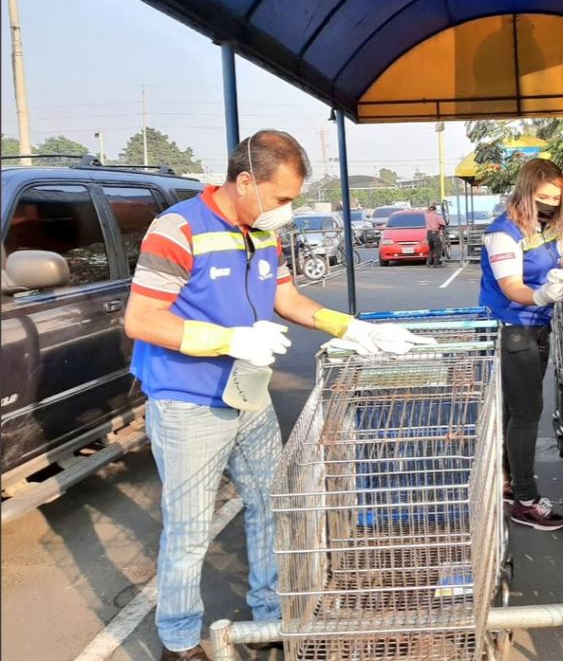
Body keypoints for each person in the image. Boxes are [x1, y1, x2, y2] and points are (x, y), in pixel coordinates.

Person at [124, 130, 431, 661]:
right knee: (190, 528)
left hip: (248, 391)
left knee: (272, 504)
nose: (287, 209)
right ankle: (179, 640)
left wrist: (352, 328)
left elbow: (286, 298)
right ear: (245, 181)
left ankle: (270, 616)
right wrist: (228, 339)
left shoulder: (263, 232)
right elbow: (143, 319)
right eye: (282, 197)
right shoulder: (178, 229)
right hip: (188, 399)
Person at [480, 158, 563, 531]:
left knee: (517, 411)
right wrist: (543, 295)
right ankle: (526, 501)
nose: (550, 204)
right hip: (514, 329)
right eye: (543, 197)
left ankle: (509, 480)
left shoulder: (546, 226)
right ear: (526, 192)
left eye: (556, 199)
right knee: (527, 412)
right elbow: (512, 286)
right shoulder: (504, 233)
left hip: (538, 327)